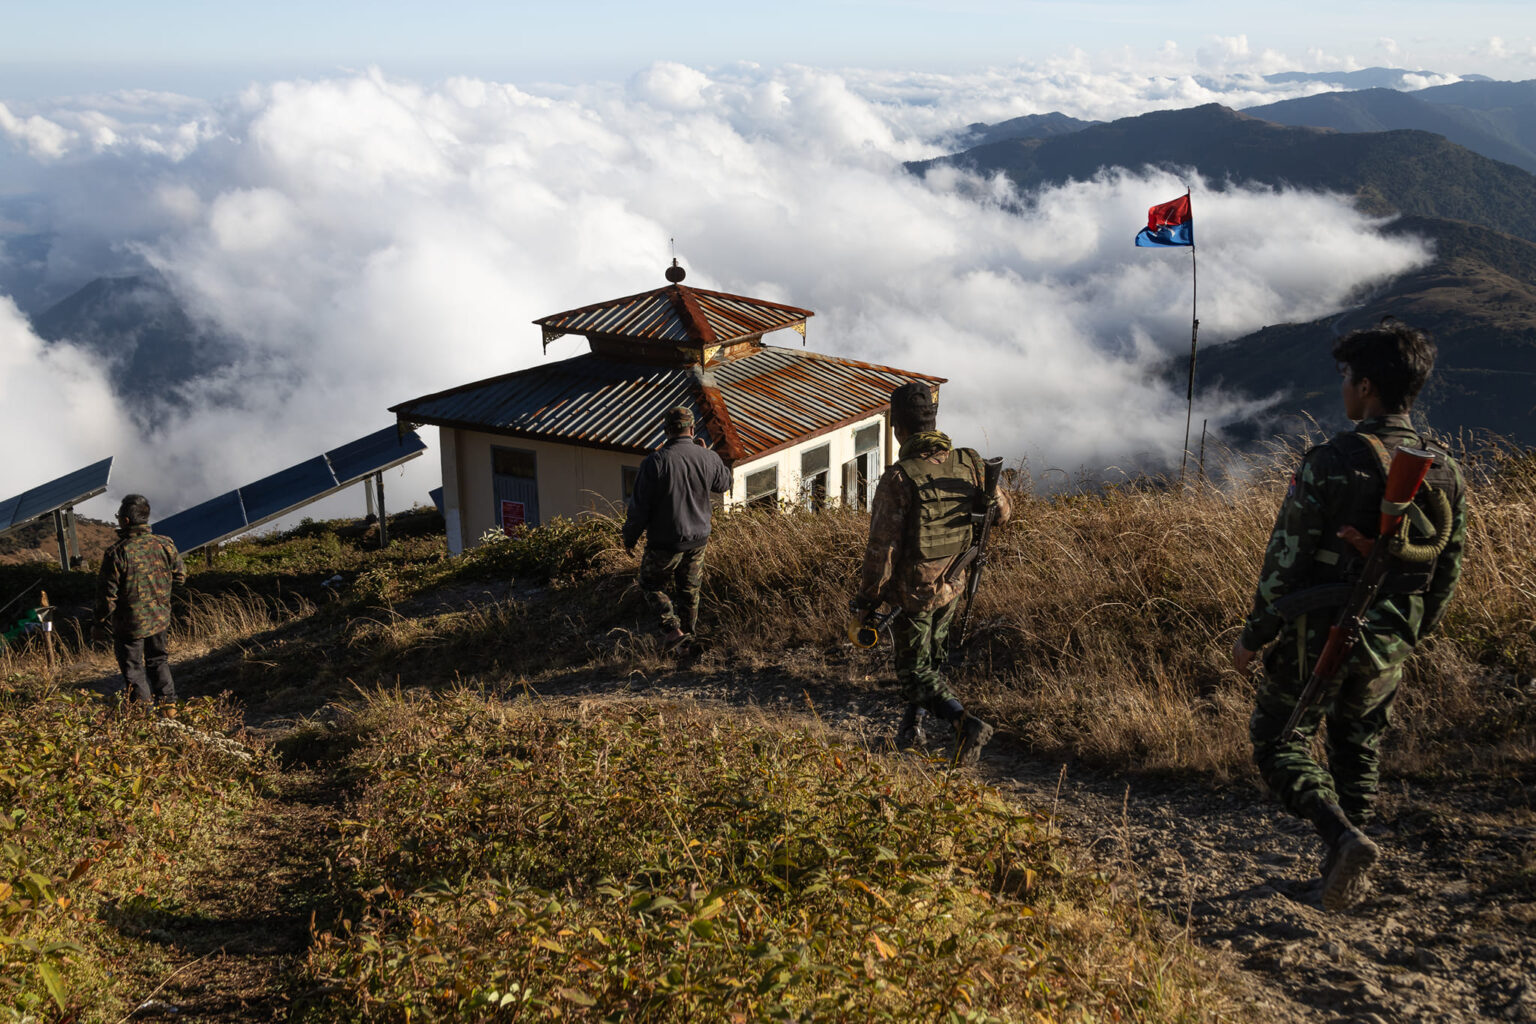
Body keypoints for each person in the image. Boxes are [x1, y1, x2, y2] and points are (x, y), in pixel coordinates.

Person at [1232, 319, 1467, 911]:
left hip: (1320, 630)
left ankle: (1341, 837)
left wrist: (1254, 636)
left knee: (1277, 741)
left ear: (1365, 387)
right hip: (1391, 637)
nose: (1343, 389)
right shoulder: (1445, 472)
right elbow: (1446, 570)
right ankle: (1347, 875)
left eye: (1346, 378)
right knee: (1358, 745)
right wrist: (1411, 633)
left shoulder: (1330, 462)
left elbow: (1283, 561)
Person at [851, 382, 1011, 765]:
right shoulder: (971, 462)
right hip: (954, 581)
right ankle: (913, 729)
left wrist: (866, 601)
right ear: (934, 421)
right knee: (932, 659)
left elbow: (882, 550)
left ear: (898, 429)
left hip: (914, 593)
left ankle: (964, 723)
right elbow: (1005, 514)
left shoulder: (899, 479)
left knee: (913, 672)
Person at [623, 406, 733, 643]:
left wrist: (629, 538)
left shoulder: (655, 462)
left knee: (650, 584)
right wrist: (710, 456)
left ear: (666, 431)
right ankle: (689, 639)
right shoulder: (707, 457)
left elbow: (639, 508)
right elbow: (724, 483)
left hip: (665, 541)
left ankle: (673, 631)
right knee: (689, 591)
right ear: (692, 429)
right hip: (698, 540)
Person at [93, 494, 187, 708]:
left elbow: (107, 597)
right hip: (159, 618)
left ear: (125, 521)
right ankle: (168, 708)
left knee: (133, 668)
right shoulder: (165, 544)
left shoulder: (117, 553)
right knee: (158, 660)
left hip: (129, 625)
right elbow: (180, 578)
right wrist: (160, 593)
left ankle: (142, 716)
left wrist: (99, 623)